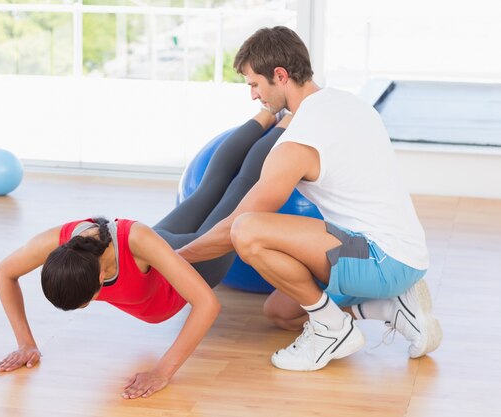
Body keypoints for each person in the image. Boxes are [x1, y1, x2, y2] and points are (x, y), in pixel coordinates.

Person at [177, 26, 443, 372]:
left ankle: (332, 331)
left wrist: (177, 258)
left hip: (379, 258)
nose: (254, 96)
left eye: (255, 84)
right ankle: (393, 308)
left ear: (280, 75)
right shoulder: (344, 102)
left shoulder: (297, 143)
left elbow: (234, 227)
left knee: (248, 230)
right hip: (407, 253)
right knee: (282, 312)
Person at [0, 109, 293, 399]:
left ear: (100, 275)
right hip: (157, 244)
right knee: (207, 191)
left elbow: (206, 305)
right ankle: (267, 113)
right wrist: (25, 343)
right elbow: (4, 273)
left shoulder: (135, 239)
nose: (91, 304)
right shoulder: (56, 242)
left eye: (88, 301)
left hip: (196, 262)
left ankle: (286, 117)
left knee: (236, 188)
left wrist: (162, 371)